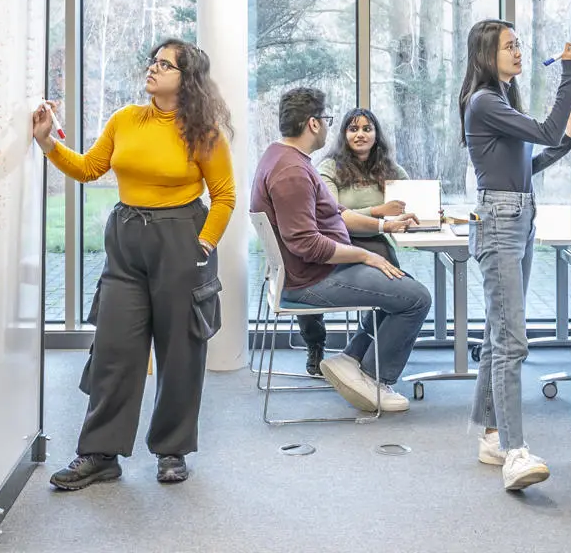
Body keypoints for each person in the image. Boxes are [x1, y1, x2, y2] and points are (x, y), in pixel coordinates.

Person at [35, 38, 235, 489]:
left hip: (180, 238)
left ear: (188, 81)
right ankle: (100, 453)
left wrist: (203, 245)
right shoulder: (125, 119)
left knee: (180, 351)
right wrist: (49, 143)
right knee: (113, 349)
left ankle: (172, 450)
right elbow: (89, 168)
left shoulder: (203, 131)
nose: (154, 68)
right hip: (126, 239)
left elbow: (224, 196)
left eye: (166, 65)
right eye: (153, 61)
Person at [459, 18, 571, 491]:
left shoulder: (500, 100)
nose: (518, 52)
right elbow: (548, 129)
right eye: (509, 46)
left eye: (519, 45)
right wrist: (569, 72)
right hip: (501, 222)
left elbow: (525, 163)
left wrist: (565, 144)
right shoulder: (486, 101)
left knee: (498, 335)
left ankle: (492, 435)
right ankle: (514, 451)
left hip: (519, 216)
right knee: (513, 341)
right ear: (487, 55)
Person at [253, 89, 431, 412]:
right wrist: (365, 255)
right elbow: (307, 244)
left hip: (312, 273)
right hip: (312, 280)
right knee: (416, 298)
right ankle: (373, 378)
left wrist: (383, 228)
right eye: (326, 119)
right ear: (313, 124)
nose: (327, 125)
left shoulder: (284, 158)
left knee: (399, 285)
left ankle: (351, 361)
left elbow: (338, 215)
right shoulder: (292, 172)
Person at [297, 107, 411, 376]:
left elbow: (414, 195)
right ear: (344, 134)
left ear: (376, 135)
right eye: (353, 128)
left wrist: (426, 209)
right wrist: (378, 212)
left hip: (374, 243)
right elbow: (332, 218)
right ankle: (316, 344)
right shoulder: (328, 168)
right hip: (333, 245)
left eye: (366, 129)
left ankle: (358, 351)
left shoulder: (388, 168)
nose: (360, 134)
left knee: (400, 289)